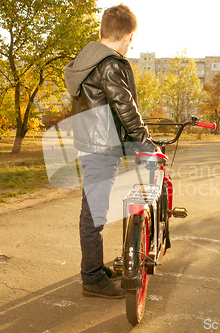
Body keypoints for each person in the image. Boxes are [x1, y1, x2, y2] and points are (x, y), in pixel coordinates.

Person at [64, 4, 156, 299]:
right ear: (127, 35)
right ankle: (91, 279)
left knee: (94, 213)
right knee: (94, 216)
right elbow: (124, 107)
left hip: (91, 147)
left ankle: (93, 268)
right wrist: (146, 143)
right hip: (101, 149)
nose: (132, 43)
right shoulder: (110, 64)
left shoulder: (88, 59)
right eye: (133, 37)